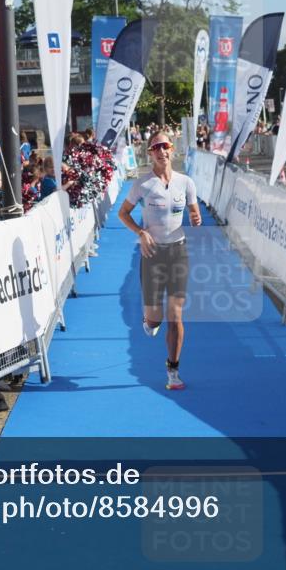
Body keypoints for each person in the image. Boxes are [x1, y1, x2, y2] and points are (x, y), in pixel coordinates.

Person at [118, 133, 201, 391]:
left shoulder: (186, 182)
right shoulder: (142, 185)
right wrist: (141, 233)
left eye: (165, 146)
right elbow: (123, 213)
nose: (161, 151)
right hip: (152, 254)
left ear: (171, 150)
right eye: (156, 148)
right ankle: (148, 320)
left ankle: (173, 370)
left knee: (175, 316)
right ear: (150, 154)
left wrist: (196, 218)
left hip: (178, 252)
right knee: (155, 319)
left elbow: (194, 210)